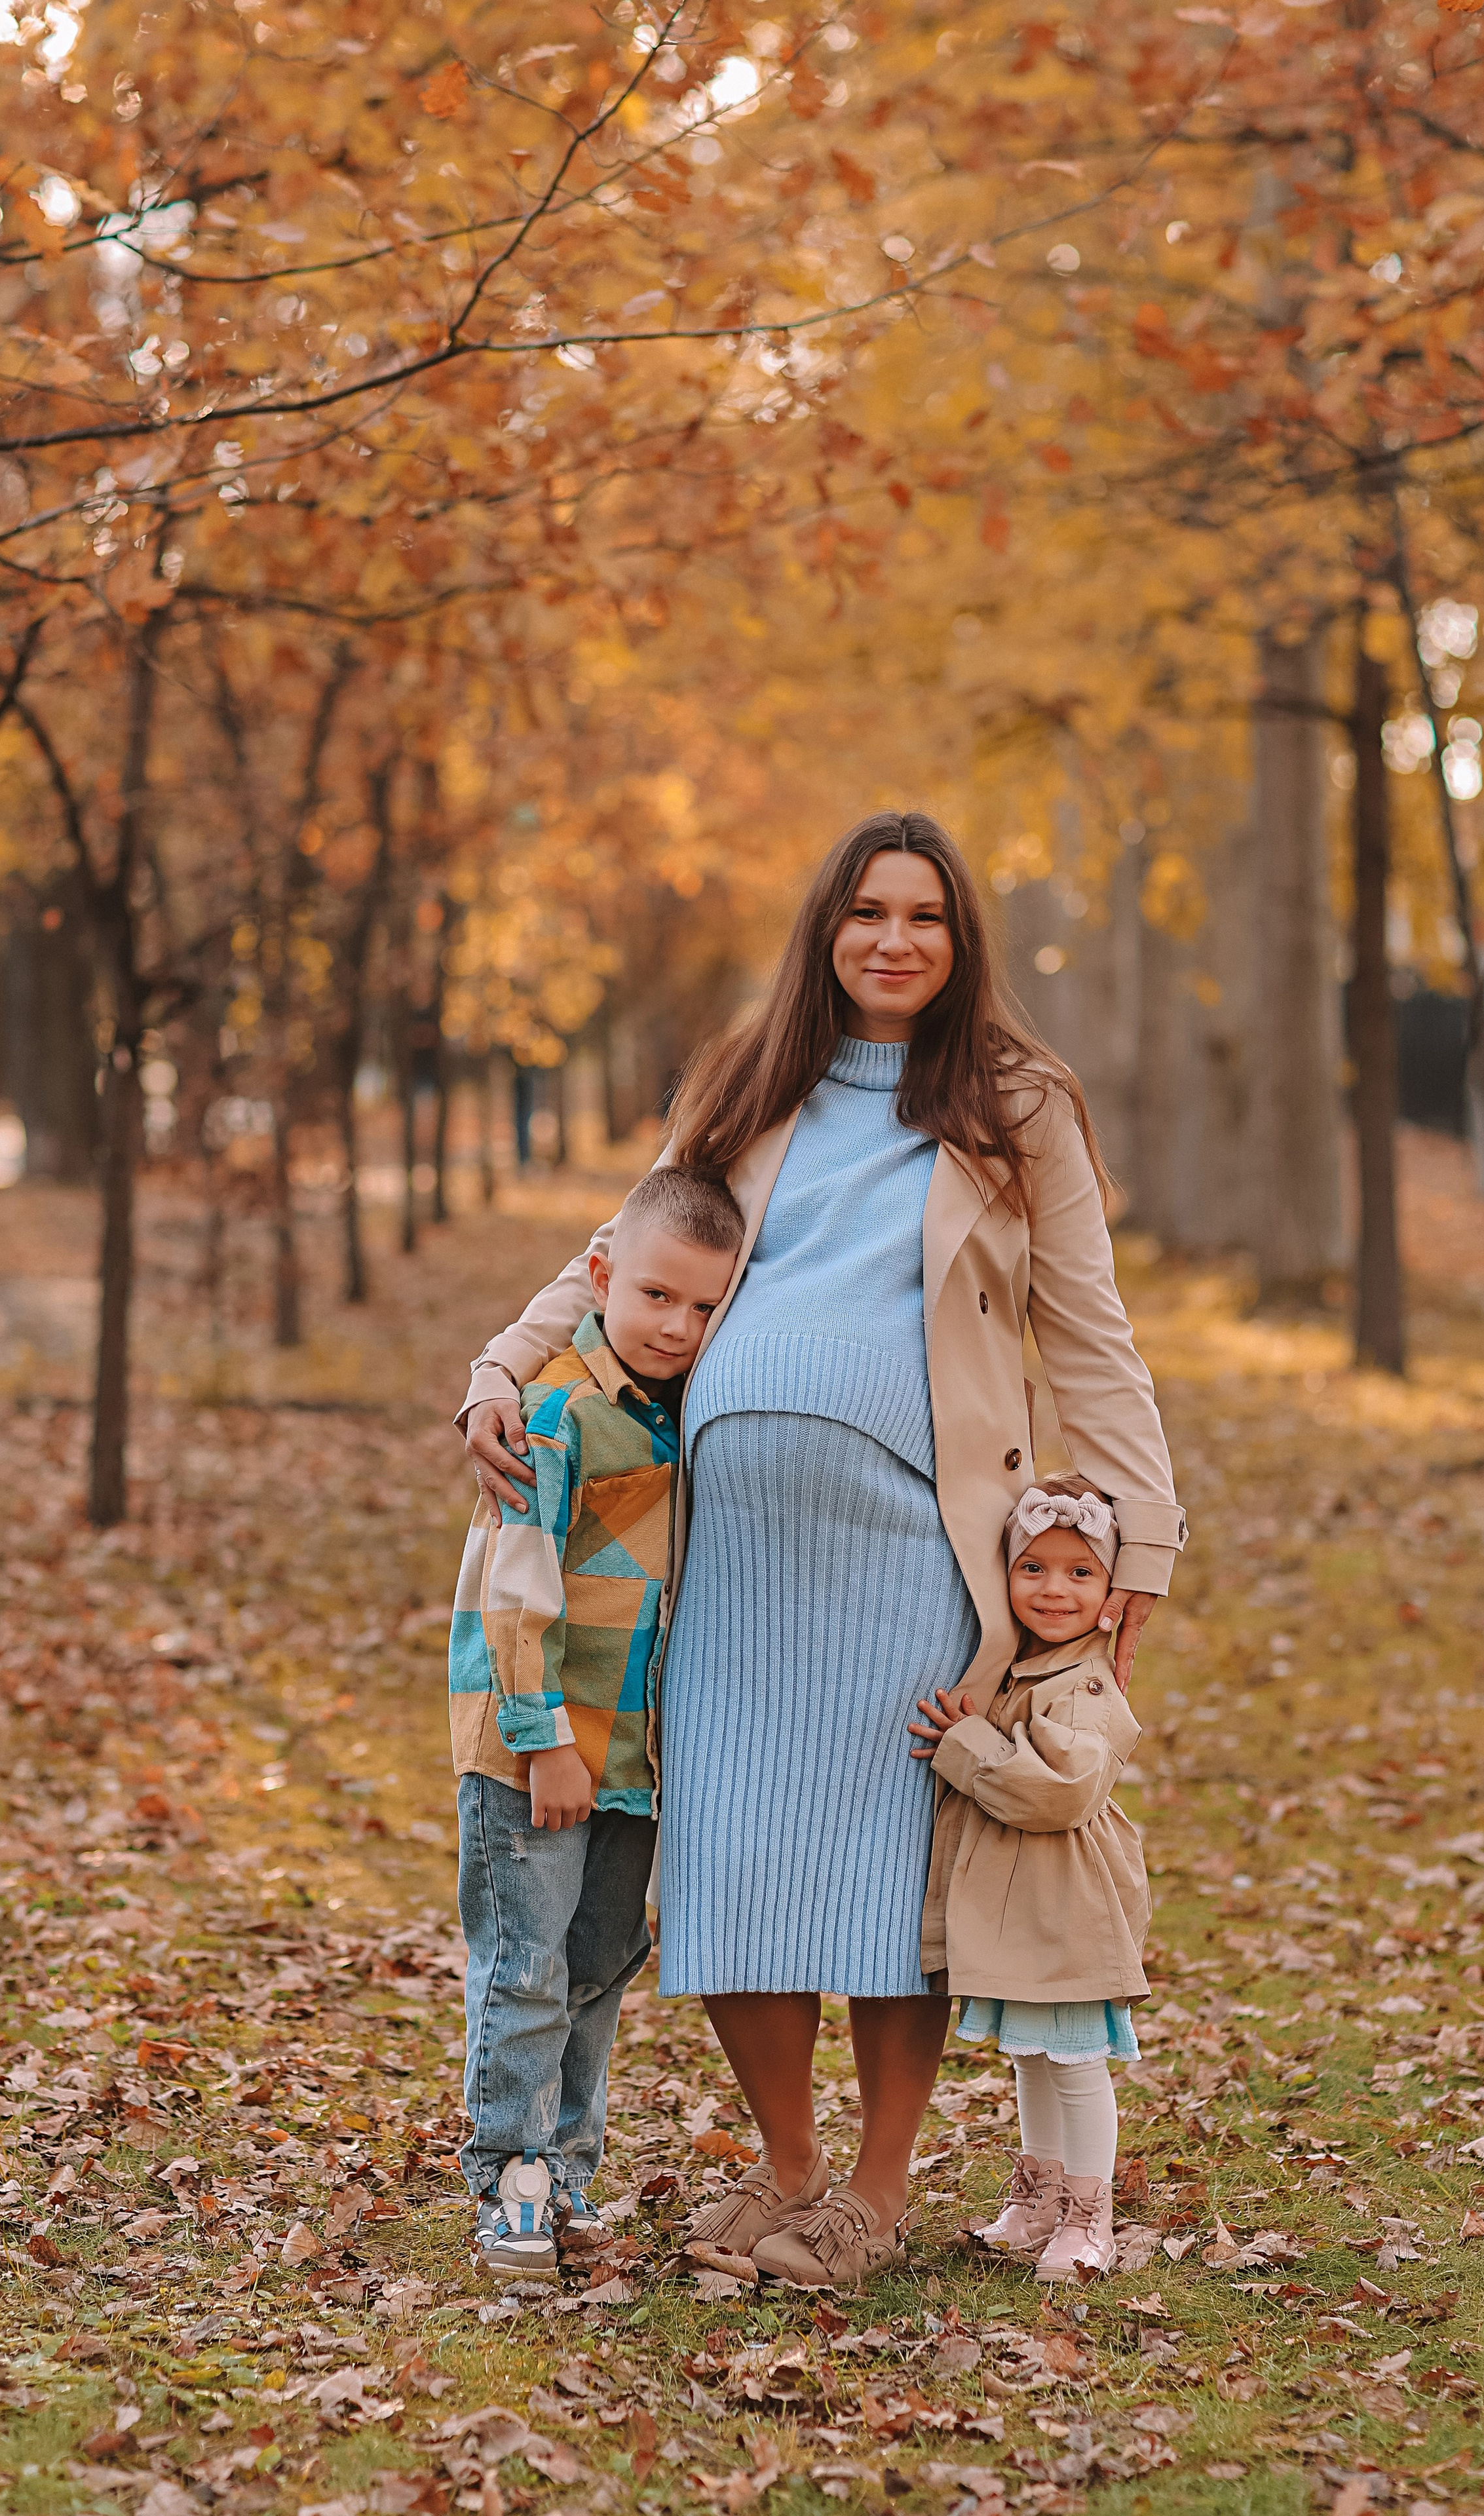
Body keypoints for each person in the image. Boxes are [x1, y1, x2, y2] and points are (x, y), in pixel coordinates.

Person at [460, 809, 1185, 2293]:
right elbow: (621, 1239)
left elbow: (1087, 1330)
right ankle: (790, 2165)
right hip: (723, 1552)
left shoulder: (1012, 1100)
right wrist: (499, 1368)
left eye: (922, 913)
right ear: (826, 926)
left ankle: (870, 2186)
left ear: (957, 936)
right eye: (866, 910)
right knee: (729, 1859)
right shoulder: (751, 1073)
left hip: (913, 1543)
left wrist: (1142, 1539)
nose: (892, 938)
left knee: (882, 1873)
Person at [449, 1164, 744, 2280]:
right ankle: (511, 2188)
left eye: (707, 1306)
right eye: (659, 1296)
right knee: (527, 1968)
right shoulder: (562, 1411)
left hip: (630, 1759)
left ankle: (568, 2177)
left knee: (599, 1966)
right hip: (540, 1754)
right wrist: (547, 1743)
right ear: (603, 1275)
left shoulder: (684, 1417)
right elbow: (513, 1592)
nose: (680, 1325)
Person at [909, 1482, 1151, 2281]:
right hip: (1024, 1902)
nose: (1054, 1590)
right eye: (1034, 1568)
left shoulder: (1083, 1684)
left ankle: (1090, 2217)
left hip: (1068, 1902)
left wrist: (967, 1745)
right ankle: (1039, 2194)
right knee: (1033, 2055)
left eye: (1081, 1574)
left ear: (1111, 1590)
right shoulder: (1028, 1667)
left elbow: (1059, 1793)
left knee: (1074, 2060)